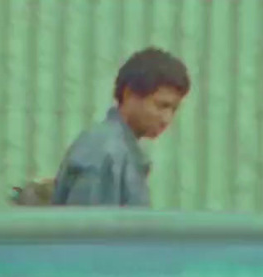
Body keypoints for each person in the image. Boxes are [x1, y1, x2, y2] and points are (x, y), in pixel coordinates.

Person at [50, 47, 190, 207]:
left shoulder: (117, 150)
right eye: (161, 106)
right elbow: (91, 229)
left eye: (174, 109)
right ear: (129, 94)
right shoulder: (106, 154)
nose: (167, 119)